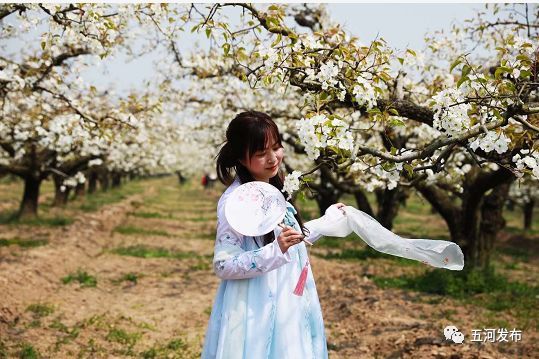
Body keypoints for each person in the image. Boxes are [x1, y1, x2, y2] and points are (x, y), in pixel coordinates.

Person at [201, 111, 344, 359]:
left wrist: (327, 221)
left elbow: (289, 236)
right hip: (256, 304)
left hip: (288, 295)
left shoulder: (271, 185)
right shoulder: (235, 203)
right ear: (240, 158)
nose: (272, 158)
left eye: (276, 147)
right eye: (260, 153)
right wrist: (274, 251)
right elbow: (224, 264)